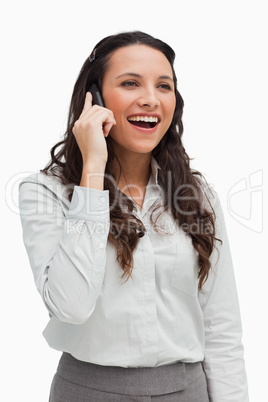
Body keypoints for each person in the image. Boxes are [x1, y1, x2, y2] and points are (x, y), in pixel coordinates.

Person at [19, 31, 249, 401]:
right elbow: (72, 306)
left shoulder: (196, 195)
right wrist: (93, 171)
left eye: (164, 86)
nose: (150, 99)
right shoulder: (45, 192)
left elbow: (221, 327)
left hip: (187, 391)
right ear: (93, 99)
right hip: (89, 391)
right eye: (130, 83)